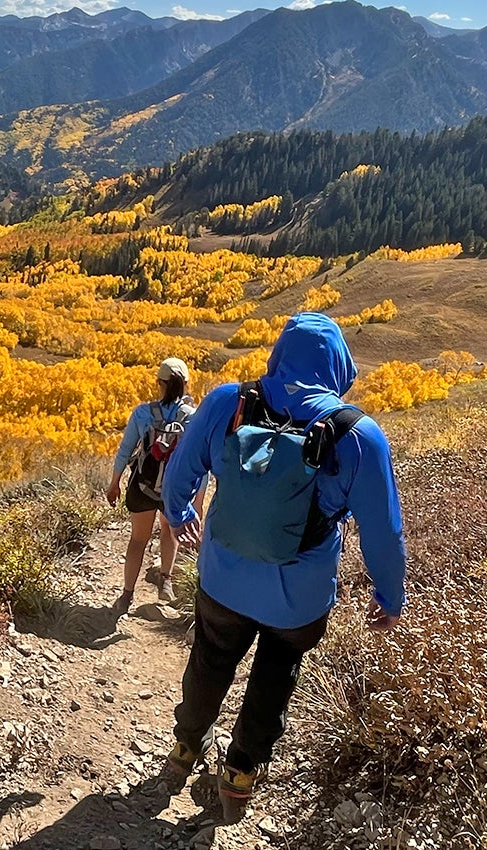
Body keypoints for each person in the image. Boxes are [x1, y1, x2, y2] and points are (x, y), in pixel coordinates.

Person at [159, 313, 406, 813]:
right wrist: (390, 595)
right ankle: (240, 771)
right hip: (299, 599)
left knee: (210, 658)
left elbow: (182, 471)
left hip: (224, 578)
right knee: (276, 674)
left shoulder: (230, 401)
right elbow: (384, 532)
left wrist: (180, 510)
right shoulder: (359, 436)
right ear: (339, 366)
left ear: (277, 354)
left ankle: (186, 746)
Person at [106, 357, 205, 613]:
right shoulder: (193, 418)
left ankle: (127, 595)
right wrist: (198, 501)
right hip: (176, 489)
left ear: (159, 383)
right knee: (169, 531)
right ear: (185, 384)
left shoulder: (142, 413)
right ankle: (166, 581)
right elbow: (200, 461)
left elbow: (125, 450)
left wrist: (114, 483)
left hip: (143, 484)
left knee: (138, 539)